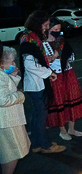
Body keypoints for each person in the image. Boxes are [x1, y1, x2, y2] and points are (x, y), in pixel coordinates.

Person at [20, 10, 66, 153]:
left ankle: (37, 144)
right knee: (40, 117)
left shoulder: (31, 37)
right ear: (37, 24)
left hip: (35, 83)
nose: (46, 27)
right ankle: (46, 145)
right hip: (36, 84)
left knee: (36, 116)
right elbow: (30, 65)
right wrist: (48, 73)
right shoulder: (29, 40)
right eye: (45, 25)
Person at [44, 18, 82, 141]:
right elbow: (44, 62)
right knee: (59, 102)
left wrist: (60, 56)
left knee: (72, 99)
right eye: (55, 29)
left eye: (59, 29)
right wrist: (50, 59)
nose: (58, 31)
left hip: (68, 73)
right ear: (48, 29)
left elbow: (71, 55)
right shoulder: (43, 44)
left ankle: (71, 128)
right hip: (55, 76)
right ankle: (62, 130)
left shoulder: (61, 41)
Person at [0, 46, 31, 174]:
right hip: (8, 122)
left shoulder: (3, 74)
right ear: (2, 63)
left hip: (10, 121)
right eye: (12, 62)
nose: (14, 64)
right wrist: (20, 96)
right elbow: (3, 100)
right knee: (11, 155)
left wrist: (13, 76)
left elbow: (8, 89)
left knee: (10, 154)